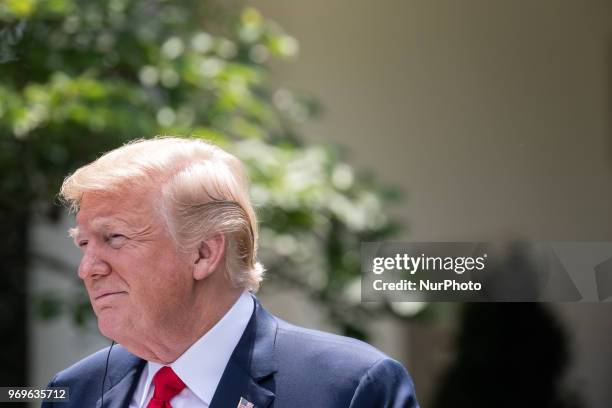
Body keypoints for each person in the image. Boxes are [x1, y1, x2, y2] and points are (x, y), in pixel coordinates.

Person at [42, 137, 419, 408]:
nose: (88, 268)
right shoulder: (75, 393)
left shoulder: (350, 388)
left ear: (204, 253)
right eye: (84, 244)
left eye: (114, 237)